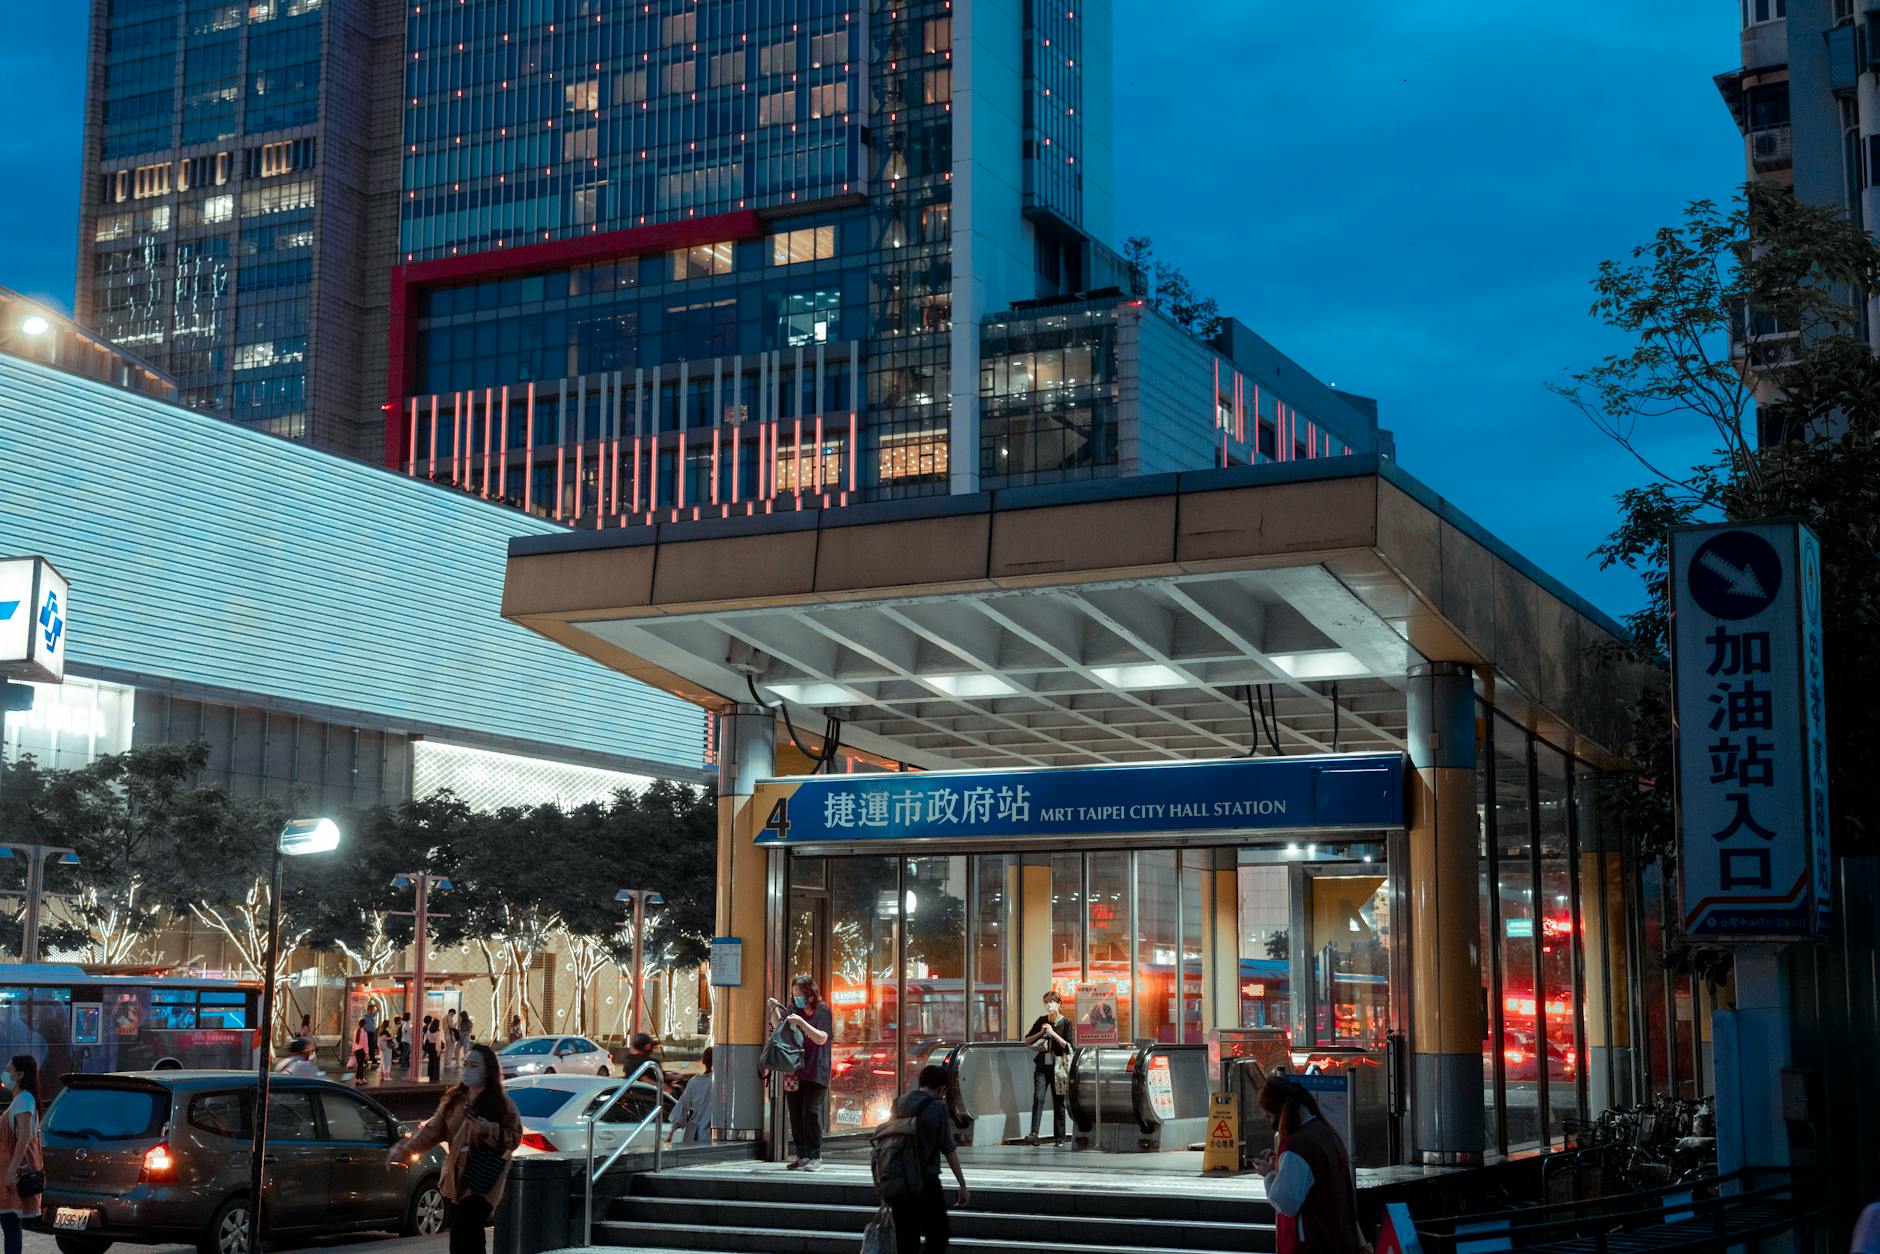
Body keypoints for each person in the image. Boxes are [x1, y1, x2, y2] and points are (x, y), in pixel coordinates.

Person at [388, 1043, 522, 1254]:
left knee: (464, 1229)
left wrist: (489, 1129)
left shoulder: (502, 1104)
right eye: (466, 1064)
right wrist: (404, 1149)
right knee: (465, 1237)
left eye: (474, 1065)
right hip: (458, 1178)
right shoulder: (454, 1101)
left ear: (487, 1071)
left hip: (485, 1179)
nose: (467, 1069)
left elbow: (513, 1139)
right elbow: (432, 1131)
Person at [1254, 1075, 1367, 1254]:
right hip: (1336, 1238)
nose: (1271, 1123)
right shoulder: (1326, 1132)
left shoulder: (1298, 1146)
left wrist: (1270, 1175)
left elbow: (1286, 1202)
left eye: (1269, 1116)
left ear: (1280, 1111)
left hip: (1311, 1242)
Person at [885, 1064, 968, 1254]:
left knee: (906, 1241)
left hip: (898, 1182)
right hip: (926, 1182)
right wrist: (962, 1184)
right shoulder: (937, 1108)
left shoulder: (899, 1103)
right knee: (939, 1234)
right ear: (941, 1089)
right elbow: (949, 1149)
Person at [769, 974, 833, 1171]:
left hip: (817, 1071)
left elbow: (821, 1038)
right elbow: (778, 1027)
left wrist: (802, 1024)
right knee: (795, 1115)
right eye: (794, 994)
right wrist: (774, 1010)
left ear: (810, 994)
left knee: (811, 1112)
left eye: (799, 994)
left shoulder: (823, 1012)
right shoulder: (793, 1010)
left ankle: (815, 1156)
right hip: (795, 1071)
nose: (796, 998)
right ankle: (802, 1155)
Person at [0, 1055, 45, 1254]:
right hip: (8, 1171)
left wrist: (11, 1172)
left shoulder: (24, 1099)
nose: (4, 1073)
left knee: (10, 1223)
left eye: (8, 1070)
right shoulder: (20, 1100)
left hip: (14, 1173)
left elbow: (24, 1136)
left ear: (19, 1075)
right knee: (9, 1222)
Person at [1022, 990, 1072, 1146]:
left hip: (1060, 1067)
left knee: (1059, 1102)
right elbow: (1026, 1040)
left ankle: (1060, 1137)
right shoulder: (1042, 1020)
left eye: (1051, 1002)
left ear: (1059, 1004)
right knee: (1038, 1097)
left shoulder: (1067, 1023)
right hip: (1042, 1066)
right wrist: (1041, 1032)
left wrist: (1052, 1033)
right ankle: (1034, 1134)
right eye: (1046, 1002)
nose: (1048, 1005)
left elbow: (1069, 1046)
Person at [671, 1047, 713, 1143]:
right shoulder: (722, 1083)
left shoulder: (694, 1082)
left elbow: (682, 1107)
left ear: (703, 1061)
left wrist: (672, 1132)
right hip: (714, 1135)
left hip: (696, 1133)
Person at [351, 1017, 373, 1084]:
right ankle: (358, 1079)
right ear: (364, 1025)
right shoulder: (365, 1033)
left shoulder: (355, 1032)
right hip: (362, 1051)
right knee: (360, 1066)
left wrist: (353, 1050)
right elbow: (365, 1044)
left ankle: (361, 1078)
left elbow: (354, 1042)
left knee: (360, 1065)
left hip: (357, 1050)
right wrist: (366, 1053)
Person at [424, 1016, 444, 1083]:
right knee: (436, 1063)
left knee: (430, 1062)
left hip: (430, 1046)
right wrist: (438, 1051)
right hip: (435, 1047)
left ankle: (430, 1076)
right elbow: (438, 1043)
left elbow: (427, 1038)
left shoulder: (429, 1030)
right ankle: (436, 1077)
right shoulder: (437, 1032)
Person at [364, 1002, 381, 1068]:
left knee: (371, 1046)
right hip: (367, 1033)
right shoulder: (365, 1017)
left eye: (372, 1009)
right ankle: (365, 1060)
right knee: (367, 1047)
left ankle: (372, 1059)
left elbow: (378, 1010)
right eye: (371, 1009)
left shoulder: (372, 1016)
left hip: (372, 1033)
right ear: (368, 1009)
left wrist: (375, 1005)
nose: (372, 1011)